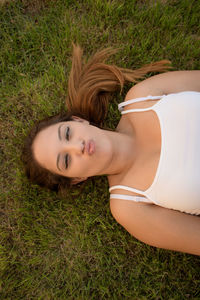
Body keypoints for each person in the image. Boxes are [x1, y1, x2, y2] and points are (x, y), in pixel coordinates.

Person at [22, 44, 200, 256]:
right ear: (77, 178)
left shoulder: (143, 96)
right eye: (66, 160)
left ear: (79, 121)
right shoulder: (129, 207)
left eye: (67, 133)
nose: (76, 146)